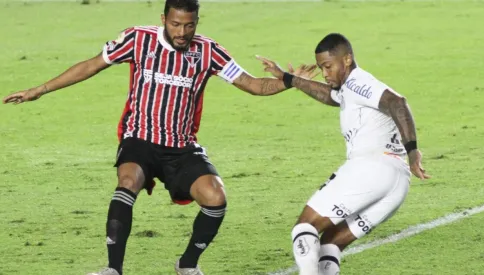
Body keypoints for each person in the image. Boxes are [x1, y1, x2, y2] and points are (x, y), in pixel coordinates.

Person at [2, 0, 317, 274]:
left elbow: (254, 85)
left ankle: (188, 264)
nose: (182, 33)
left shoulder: (208, 51)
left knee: (216, 197)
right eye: (176, 24)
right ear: (164, 18)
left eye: (189, 25)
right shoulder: (138, 39)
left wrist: (292, 81)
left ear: (197, 22)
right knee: (127, 182)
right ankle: (113, 268)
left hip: (181, 146)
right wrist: (39, 90)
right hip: (140, 138)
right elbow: (91, 66)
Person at [257, 33, 430, 275]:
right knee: (330, 243)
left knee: (304, 228)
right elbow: (331, 96)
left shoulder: (359, 82)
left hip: (371, 168)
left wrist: (413, 150)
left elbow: (397, 102)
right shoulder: (349, 88)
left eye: (328, 66)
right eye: (321, 68)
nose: (325, 73)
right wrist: (289, 79)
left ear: (347, 59)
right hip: (397, 181)